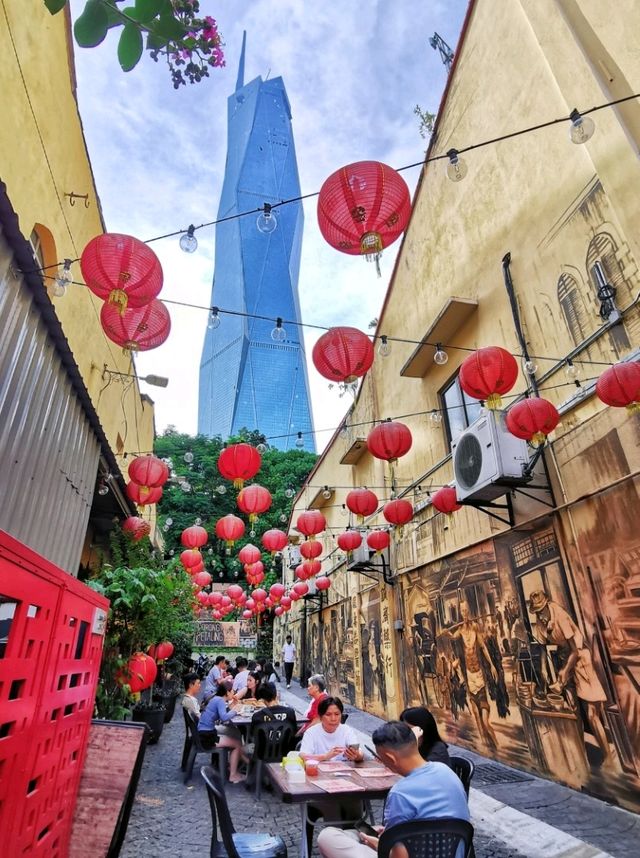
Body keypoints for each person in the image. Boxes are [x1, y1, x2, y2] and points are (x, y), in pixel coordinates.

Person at [317, 721, 469, 858]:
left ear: (390, 758)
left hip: (410, 851)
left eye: (381, 758)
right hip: (450, 849)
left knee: (327, 837)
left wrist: (377, 844)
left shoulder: (400, 793)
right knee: (361, 832)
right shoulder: (447, 771)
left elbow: (398, 856)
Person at [528, 590, 611, 764]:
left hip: (580, 660)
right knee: (574, 711)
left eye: (541, 610)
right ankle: (582, 757)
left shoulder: (560, 615)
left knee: (592, 714)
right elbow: (543, 646)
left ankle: (608, 757)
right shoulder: (540, 619)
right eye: (536, 612)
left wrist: (564, 672)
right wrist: (543, 668)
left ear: (547, 605)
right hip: (564, 657)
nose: (540, 615)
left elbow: (575, 650)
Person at [442, 602, 499, 748]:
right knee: (475, 710)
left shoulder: (474, 627)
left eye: (467, 610)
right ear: (460, 613)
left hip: (478, 673)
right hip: (468, 674)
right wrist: (446, 633)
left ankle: (494, 741)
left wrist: (492, 665)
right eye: (463, 611)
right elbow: (453, 638)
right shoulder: (460, 630)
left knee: (485, 717)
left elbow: (483, 647)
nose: (465, 613)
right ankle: (483, 739)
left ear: (469, 611)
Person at [198, 684, 249, 783]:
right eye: (232, 691)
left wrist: (232, 706)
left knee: (234, 733)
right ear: (227, 692)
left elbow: (223, 713)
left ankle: (237, 763)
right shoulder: (220, 700)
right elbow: (224, 718)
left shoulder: (216, 699)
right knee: (237, 744)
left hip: (204, 732)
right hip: (207, 737)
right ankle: (233, 774)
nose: (234, 693)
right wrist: (235, 710)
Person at [300, 696, 363, 762]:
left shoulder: (347, 730)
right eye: (328, 714)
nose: (333, 719)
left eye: (337, 714)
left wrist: (356, 756)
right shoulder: (311, 732)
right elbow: (303, 756)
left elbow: (360, 753)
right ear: (320, 717)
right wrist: (325, 757)